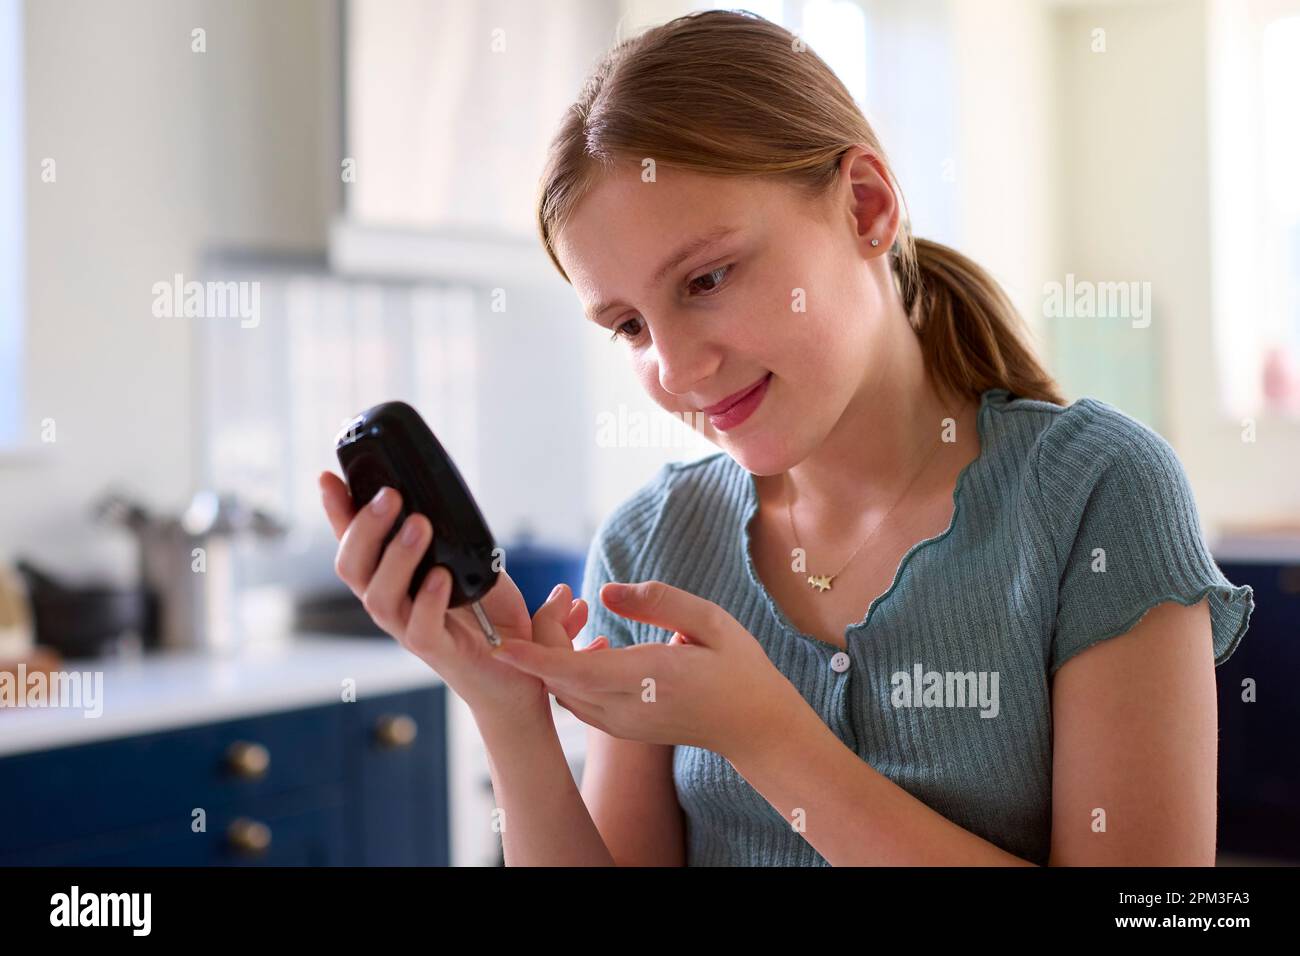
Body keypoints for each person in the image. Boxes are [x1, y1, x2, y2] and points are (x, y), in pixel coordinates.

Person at [319, 9, 1253, 866]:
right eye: (631, 327)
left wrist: (767, 738)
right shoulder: (650, 545)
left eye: (709, 278)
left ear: (866, 206)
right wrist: (505, 703)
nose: (677, 370)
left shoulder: (1097, 496)